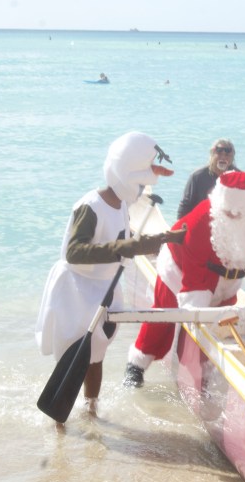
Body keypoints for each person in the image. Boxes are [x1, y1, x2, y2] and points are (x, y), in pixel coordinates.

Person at [35, 132, 183, 418]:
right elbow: (75, 252)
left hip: (105, 288)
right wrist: (144, 244)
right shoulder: (90, 206)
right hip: (77, 291)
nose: (141, 190)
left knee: (96, 354)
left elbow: (123, 243)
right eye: (140, 183)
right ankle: (60, 423)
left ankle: (91, 411)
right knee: (74, 354)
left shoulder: (122, 204)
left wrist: (160, 239)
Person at [125, 171, 245, 387]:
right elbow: (194, 280)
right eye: (228, 213)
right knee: (163, 316)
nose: (233, 216)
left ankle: (208, 373)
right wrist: (195, 314)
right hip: (180, 271)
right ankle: (137, 366)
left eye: (239, 213)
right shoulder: (200, 220)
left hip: (227, 280)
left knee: (220, 325)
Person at [177, 138, 238, 220]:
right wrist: (180, 230)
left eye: (227, 155)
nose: (223, 158)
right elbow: (185, 206)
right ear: (212, 154)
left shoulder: (239, 179)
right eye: (219, 154)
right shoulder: (197, 177)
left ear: (232, 158)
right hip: (202, 224)